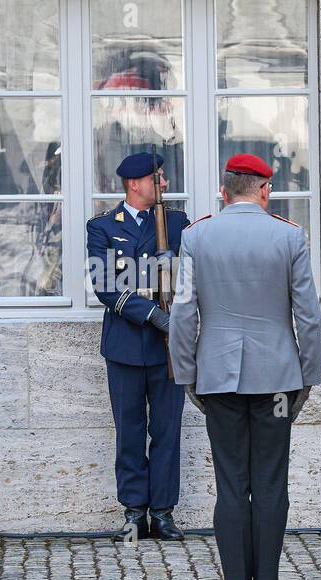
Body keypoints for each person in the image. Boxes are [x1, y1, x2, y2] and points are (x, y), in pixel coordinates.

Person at [169, 154, 321, 580]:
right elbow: (308, 317)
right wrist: (308, 376)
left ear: (224, 191)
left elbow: (182, 313)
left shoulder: (196, 236)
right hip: (277, 379)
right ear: (264, 191)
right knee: (271, 483)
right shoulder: (289, 236)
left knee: (231, 484)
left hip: (218, 379)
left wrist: (186, 373)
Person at [86, 151, 190, 541]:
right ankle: (134, 511)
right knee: (130, 431)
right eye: (156, 178)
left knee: (167, 429)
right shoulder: (101, 227)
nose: (162, 183)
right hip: (126, 345)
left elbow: (195, 277)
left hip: (168, 348)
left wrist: (176, 276)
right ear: (134, 184)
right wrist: (152, 314)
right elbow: (105, 286)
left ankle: (162, 512)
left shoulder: (177, 223)